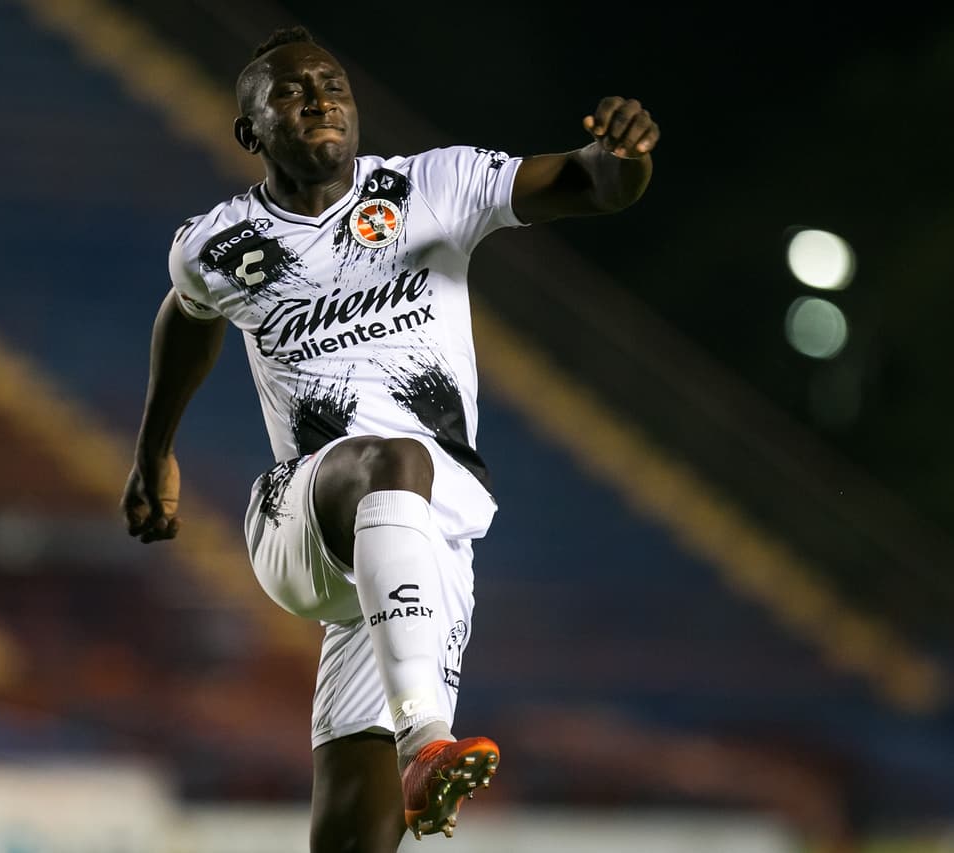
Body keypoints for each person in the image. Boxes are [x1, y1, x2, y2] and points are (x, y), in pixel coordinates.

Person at [120, 24, 659, 851]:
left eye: (332, 85)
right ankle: (427, 742)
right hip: (304, 521)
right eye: (291, 92)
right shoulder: (218, 243)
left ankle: (409, 745)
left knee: (354, 826)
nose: (320, 99)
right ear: (249, 132)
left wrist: (625, 155)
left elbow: (592, 183)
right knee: (392, 458)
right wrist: (154, 452)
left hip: (428, 536)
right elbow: (188, 314)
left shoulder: (432, 187)